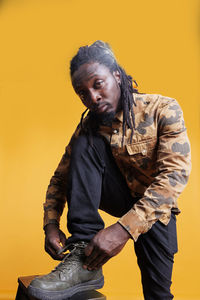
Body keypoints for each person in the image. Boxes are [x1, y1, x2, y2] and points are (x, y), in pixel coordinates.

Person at [28, 41, 191, 300]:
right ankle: (83, 251)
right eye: (82, 93)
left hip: (154, 208)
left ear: (116, 75)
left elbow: (174, 176)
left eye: (97, 84)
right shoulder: (90, 127)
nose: (92, 97)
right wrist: (50, 224)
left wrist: (122, 230)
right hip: (115, 195)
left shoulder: (163, 109)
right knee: (85, 141)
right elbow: (60, 178)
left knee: (158, 294)